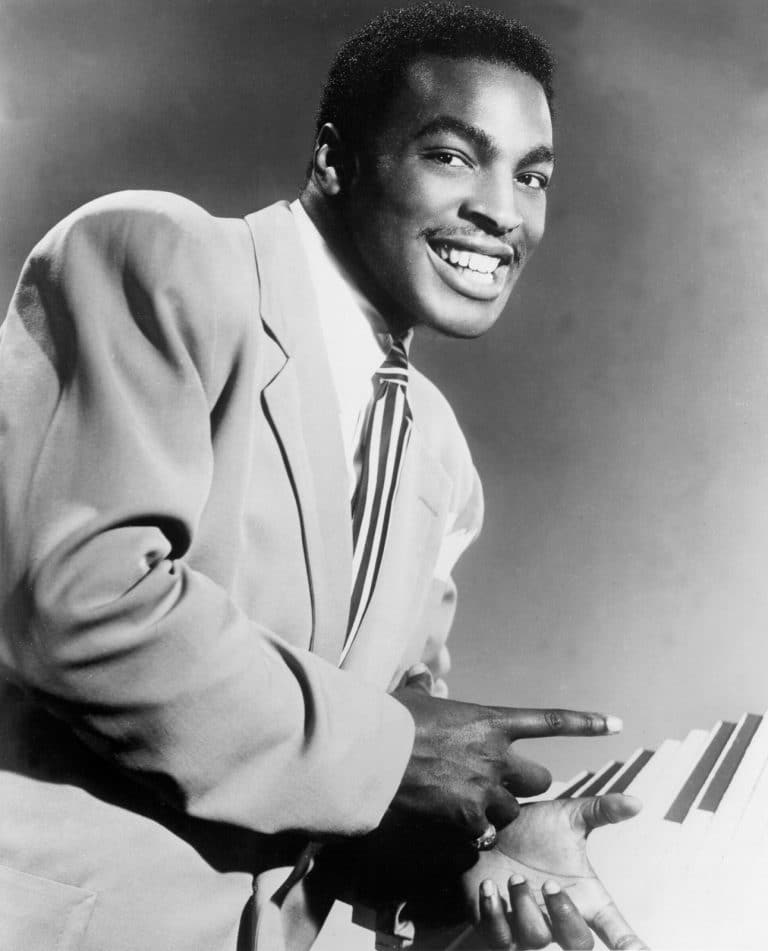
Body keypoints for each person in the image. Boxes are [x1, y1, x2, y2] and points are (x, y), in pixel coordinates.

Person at [0, 4, 645, 950]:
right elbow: (77, 601)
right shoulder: (161, 257)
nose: (504, 212)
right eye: (452, 155)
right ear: (336, 159)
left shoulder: (440, 459)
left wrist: (478, 854)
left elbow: (366, 767)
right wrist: (391, 753)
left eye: (532, 176)